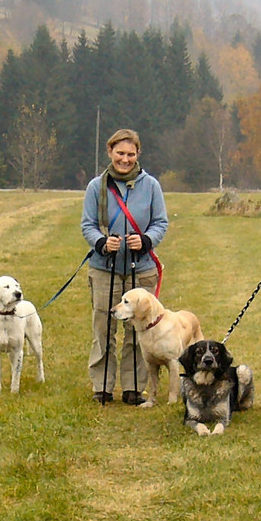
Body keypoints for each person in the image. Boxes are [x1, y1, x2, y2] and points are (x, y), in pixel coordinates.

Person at [81, 128, 169, 404]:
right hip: (104, 267)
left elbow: (160, 223)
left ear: (138, 154)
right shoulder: (97, 187)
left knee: (139, 330)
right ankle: (102, 386)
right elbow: (88, 225)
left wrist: (145, 240)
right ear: (110, 152)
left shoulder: (151, 186)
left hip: (141, 268)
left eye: (131, 154)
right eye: (120, 153)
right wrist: (102, 243)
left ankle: (134, 387)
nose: (125, 159)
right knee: (104, 328)